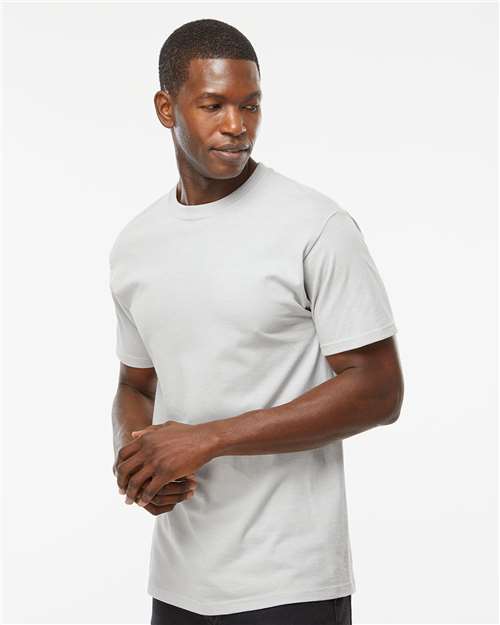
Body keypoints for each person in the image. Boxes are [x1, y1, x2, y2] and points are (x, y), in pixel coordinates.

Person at [109, 18, 404, 625]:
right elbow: (136, 384)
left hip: (291, 584)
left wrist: (208, 438)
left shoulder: (315, 226)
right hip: (178, 581)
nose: (237, 125)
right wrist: (136, 457)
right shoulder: (136, 245)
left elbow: (380, 390)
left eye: (251, 105)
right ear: (166, 108)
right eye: (213, 105)